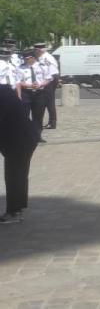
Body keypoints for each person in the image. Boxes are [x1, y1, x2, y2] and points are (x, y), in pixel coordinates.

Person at [0, 82, 41, 223]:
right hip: (25, 136)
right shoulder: (4, 89)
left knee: (14, 175)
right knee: (19, 174)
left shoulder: (2, 93)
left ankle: (14, 212)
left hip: (19, 139)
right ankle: (18, 208)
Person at [34, 43, 58, 130]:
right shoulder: (44, 57)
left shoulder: (45, 59)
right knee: (49, 102)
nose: (35, 52)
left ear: (39, 50)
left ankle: (52, 123)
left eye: (35, 50)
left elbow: (52, 72)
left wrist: (45, 83)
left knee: (49, 102)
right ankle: (52, 122)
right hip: (48, 80)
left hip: (49, 81)